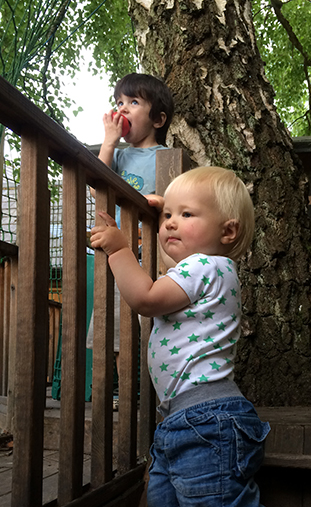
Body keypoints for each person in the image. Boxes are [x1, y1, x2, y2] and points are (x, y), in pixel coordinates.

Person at [89, 166, 311, 507]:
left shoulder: (208, 266)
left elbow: (145, 298)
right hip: (180, 427)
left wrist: (122, 248)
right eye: (167, 218)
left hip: (208, 423)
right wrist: (162, 209)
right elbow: (163, 275)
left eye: (186, 215)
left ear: (228, 230)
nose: (170, 224)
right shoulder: (199, 270)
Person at [87, 73, 175, 407]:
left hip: (149, 256)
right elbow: (97, 184)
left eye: (133, 102)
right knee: (115, 329)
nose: (123, 109)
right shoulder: (119, 158)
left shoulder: (167, 158)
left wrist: (157, 199)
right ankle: (122, 397)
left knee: (149, 329)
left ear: (158, 119)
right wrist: (108, 142)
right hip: (116, 255)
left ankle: (152, 398)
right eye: (119, 103)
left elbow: (174, 201)